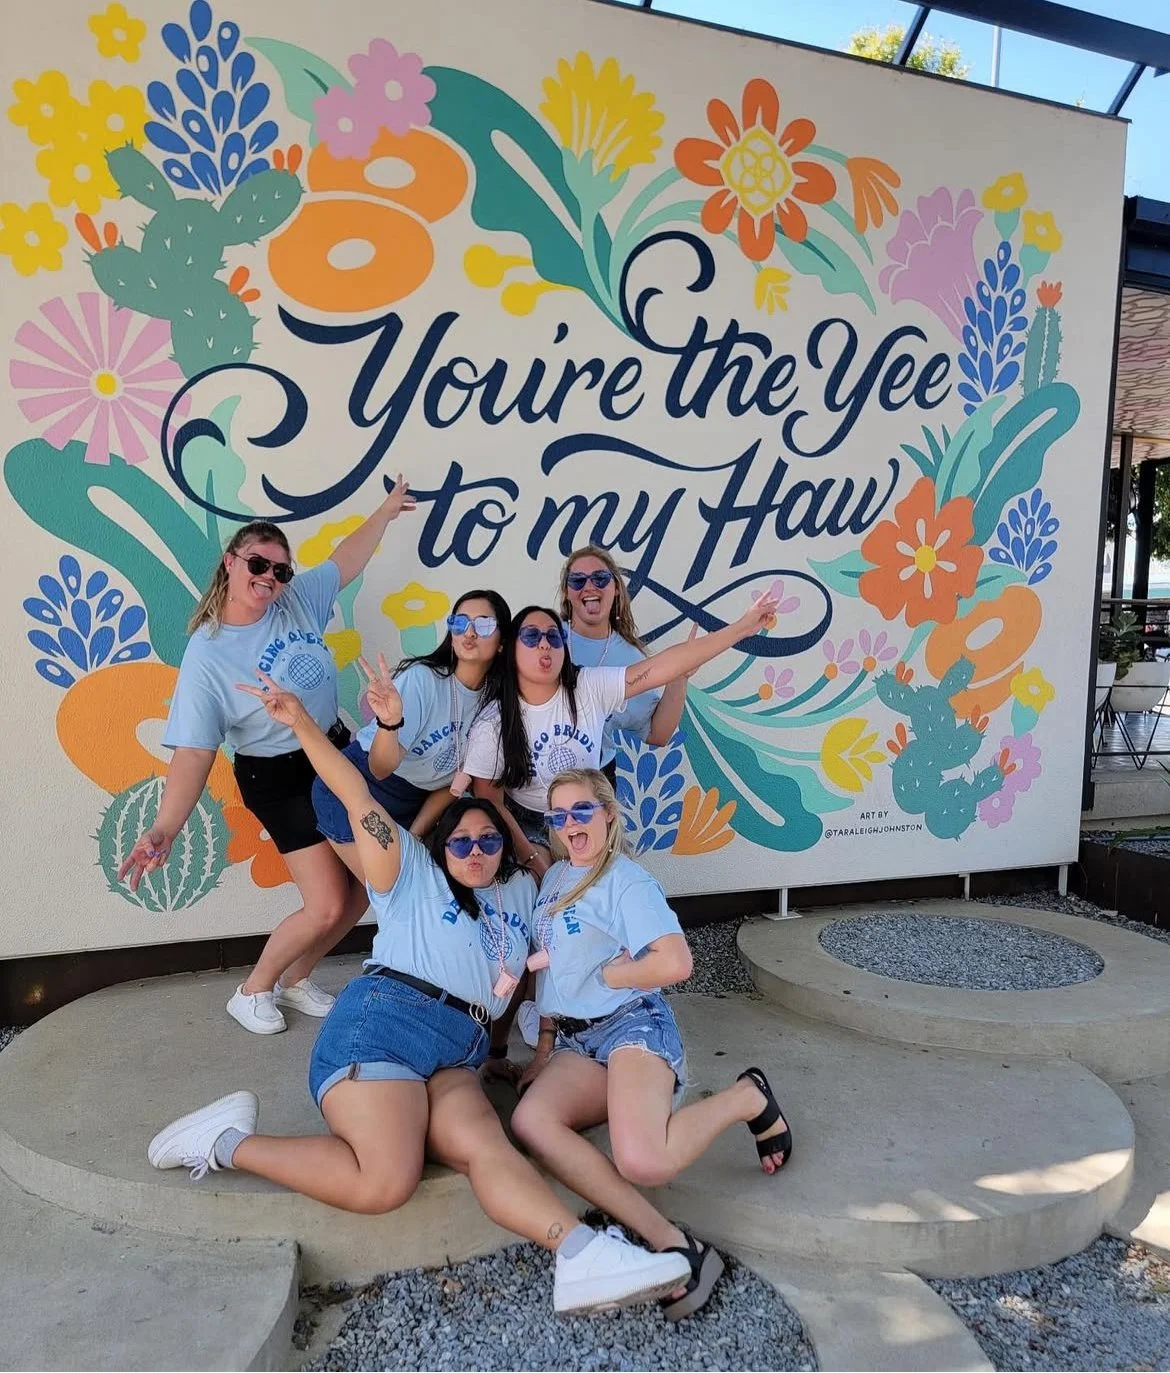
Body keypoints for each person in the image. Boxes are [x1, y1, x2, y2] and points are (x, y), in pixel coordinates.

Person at [146, 684, 692, 1317]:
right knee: (386, 1182)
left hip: (456, 1053)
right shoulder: (408, 873)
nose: (477, 852)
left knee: (486, 1147)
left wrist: (510, 1047)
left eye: (489, 843)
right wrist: (299, 721)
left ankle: (579, 1255)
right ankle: (224, 1143)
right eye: (462, 842)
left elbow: (524, 971)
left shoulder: (522, 894)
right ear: (442, 848)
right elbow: (353, 795)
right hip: (387, 1025)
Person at [117, 479, 416, 1035]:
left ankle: (296, 980)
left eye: (281, 571)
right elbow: (194, 750)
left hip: (330, 751)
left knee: (362, 889)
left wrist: (385, 511)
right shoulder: (208, 651)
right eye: (259, 564)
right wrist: (166, 826)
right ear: (231, 562)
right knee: (327, 904)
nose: (270, 579)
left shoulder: (297, 599)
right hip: (276, 774)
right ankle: (252, 989)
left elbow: (344, 559)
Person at [510, 768, 793, 1321]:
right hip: (577, 1040)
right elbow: (549, 976)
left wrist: (611, 976)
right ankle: (670, 1242)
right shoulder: (557, 879)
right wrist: (544, 1048)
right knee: (530, 1122)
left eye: (582, 811)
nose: (571, 824)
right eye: (559, 815)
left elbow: (676, 962)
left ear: (608, 815)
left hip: (630, 1023)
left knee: (643, 1160)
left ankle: (747, 1097)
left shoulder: (624, 881)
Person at [460, 591, 779, 875]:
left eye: (553, 637)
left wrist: (742, 628)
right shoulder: (493, 724)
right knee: (542, 897)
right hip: (528, 823)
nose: (544, 643)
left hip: (587, 815)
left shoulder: (587, 687)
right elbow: (493, 804)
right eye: (531, 637)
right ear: (511, 651)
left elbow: (658, 668)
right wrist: (533, 859)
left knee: (619, 890)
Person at [311, 590, 511, 872]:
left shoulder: (494, 707)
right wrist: (389, 722)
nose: (469, 632)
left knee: (339, 911)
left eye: (484, 625)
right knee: (392, 896)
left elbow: (451, 785)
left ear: (502, 642)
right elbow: (380, 768)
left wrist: (416, 834)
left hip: (412, 804)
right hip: (359, 784)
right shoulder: (423, 680)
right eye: (460, 622)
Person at [558, 545, 688, 786]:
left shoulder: (630, 658)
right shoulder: (543, 636)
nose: (589, 586)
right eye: (577, 580)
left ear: (616, 588)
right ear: (566, 591)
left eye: (600, 578)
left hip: (594, 781)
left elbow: (657, 734)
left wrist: (679, 677)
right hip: (535, 777)